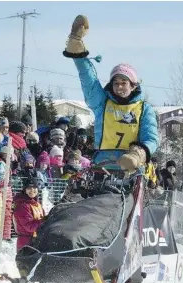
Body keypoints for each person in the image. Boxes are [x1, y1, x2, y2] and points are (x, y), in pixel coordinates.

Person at [63, 15, 159, 173]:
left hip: (132, 168)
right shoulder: (103, 102)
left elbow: (151, 137)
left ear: (133, 85)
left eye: (124, 83)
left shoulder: (144, 109)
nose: (119, 87)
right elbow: (90, 83)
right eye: (116, 83)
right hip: (103, 165)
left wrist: (137, 154)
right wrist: (79, 57)